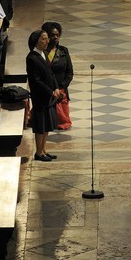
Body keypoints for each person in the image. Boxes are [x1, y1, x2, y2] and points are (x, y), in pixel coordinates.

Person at [27, 28, 63, 161]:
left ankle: (43, 149)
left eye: (47, 38)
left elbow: (51, 73)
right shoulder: (32, 58)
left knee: (47, 125)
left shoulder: (44, 53)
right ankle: (38, 153)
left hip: (49, 96)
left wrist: (57, 87)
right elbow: (36, 81)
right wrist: (50, 91)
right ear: (36, 41)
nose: (47, 41)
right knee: (40, 126)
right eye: (43, 38)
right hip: (40, 97)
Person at [43, 21, 73, 129]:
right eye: (52, 35)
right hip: (46, 91)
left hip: (61, 91)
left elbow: (69, 73)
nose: (55, 37)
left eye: (57, 35)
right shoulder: (41, 53)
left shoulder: (64, 51)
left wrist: (62, 88)